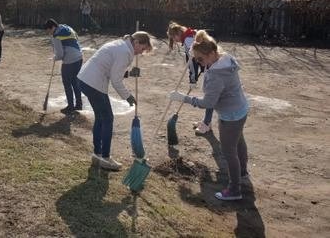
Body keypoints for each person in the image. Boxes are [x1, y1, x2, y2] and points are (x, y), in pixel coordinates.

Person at [169, 30, 250, 201]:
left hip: (230, 115)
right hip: (241, 108)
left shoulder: (216, 75)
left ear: (212, 53)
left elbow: (208, 103)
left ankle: (235, 190)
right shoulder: (225, 59)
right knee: (239, 142)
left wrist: (184, 98)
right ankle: (241, 172)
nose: (199, 63)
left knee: (229, 151)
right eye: (197, 60)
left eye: (201, 59)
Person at [77, 31, 153, 171]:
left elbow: (112, 70)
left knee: (101, 118)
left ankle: (97, 154)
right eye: (142, 49)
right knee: (107, 119)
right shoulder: (125, 52)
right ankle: (105, 158)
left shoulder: (120, 45)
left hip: (85, 79)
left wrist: (129, 73)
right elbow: (116, 80)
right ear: (136, 43)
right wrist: (128, 97)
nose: (140, 53)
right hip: (94, 82)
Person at [167, 21, 213, 135]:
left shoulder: (188, 40)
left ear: (178, 33)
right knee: (208, 93)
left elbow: (192, 62)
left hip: (211, 65)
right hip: (209, 63)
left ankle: (207, 124)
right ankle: (207, 121)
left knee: (210, 94)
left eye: (174, 38)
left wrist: (192, 79)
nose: (175, 41)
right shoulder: (190, 35)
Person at [44, 18, 83, 114]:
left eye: (48, 30)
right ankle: (79, 104)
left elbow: (60, 55)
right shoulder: (66, 27)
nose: (48, 33)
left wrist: (54, 58)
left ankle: (70, 106)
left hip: (70, 61)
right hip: (79, 57)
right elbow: (76, 37)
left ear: (52, 27)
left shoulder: (56, 36)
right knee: (75, 81)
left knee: (67, 83)